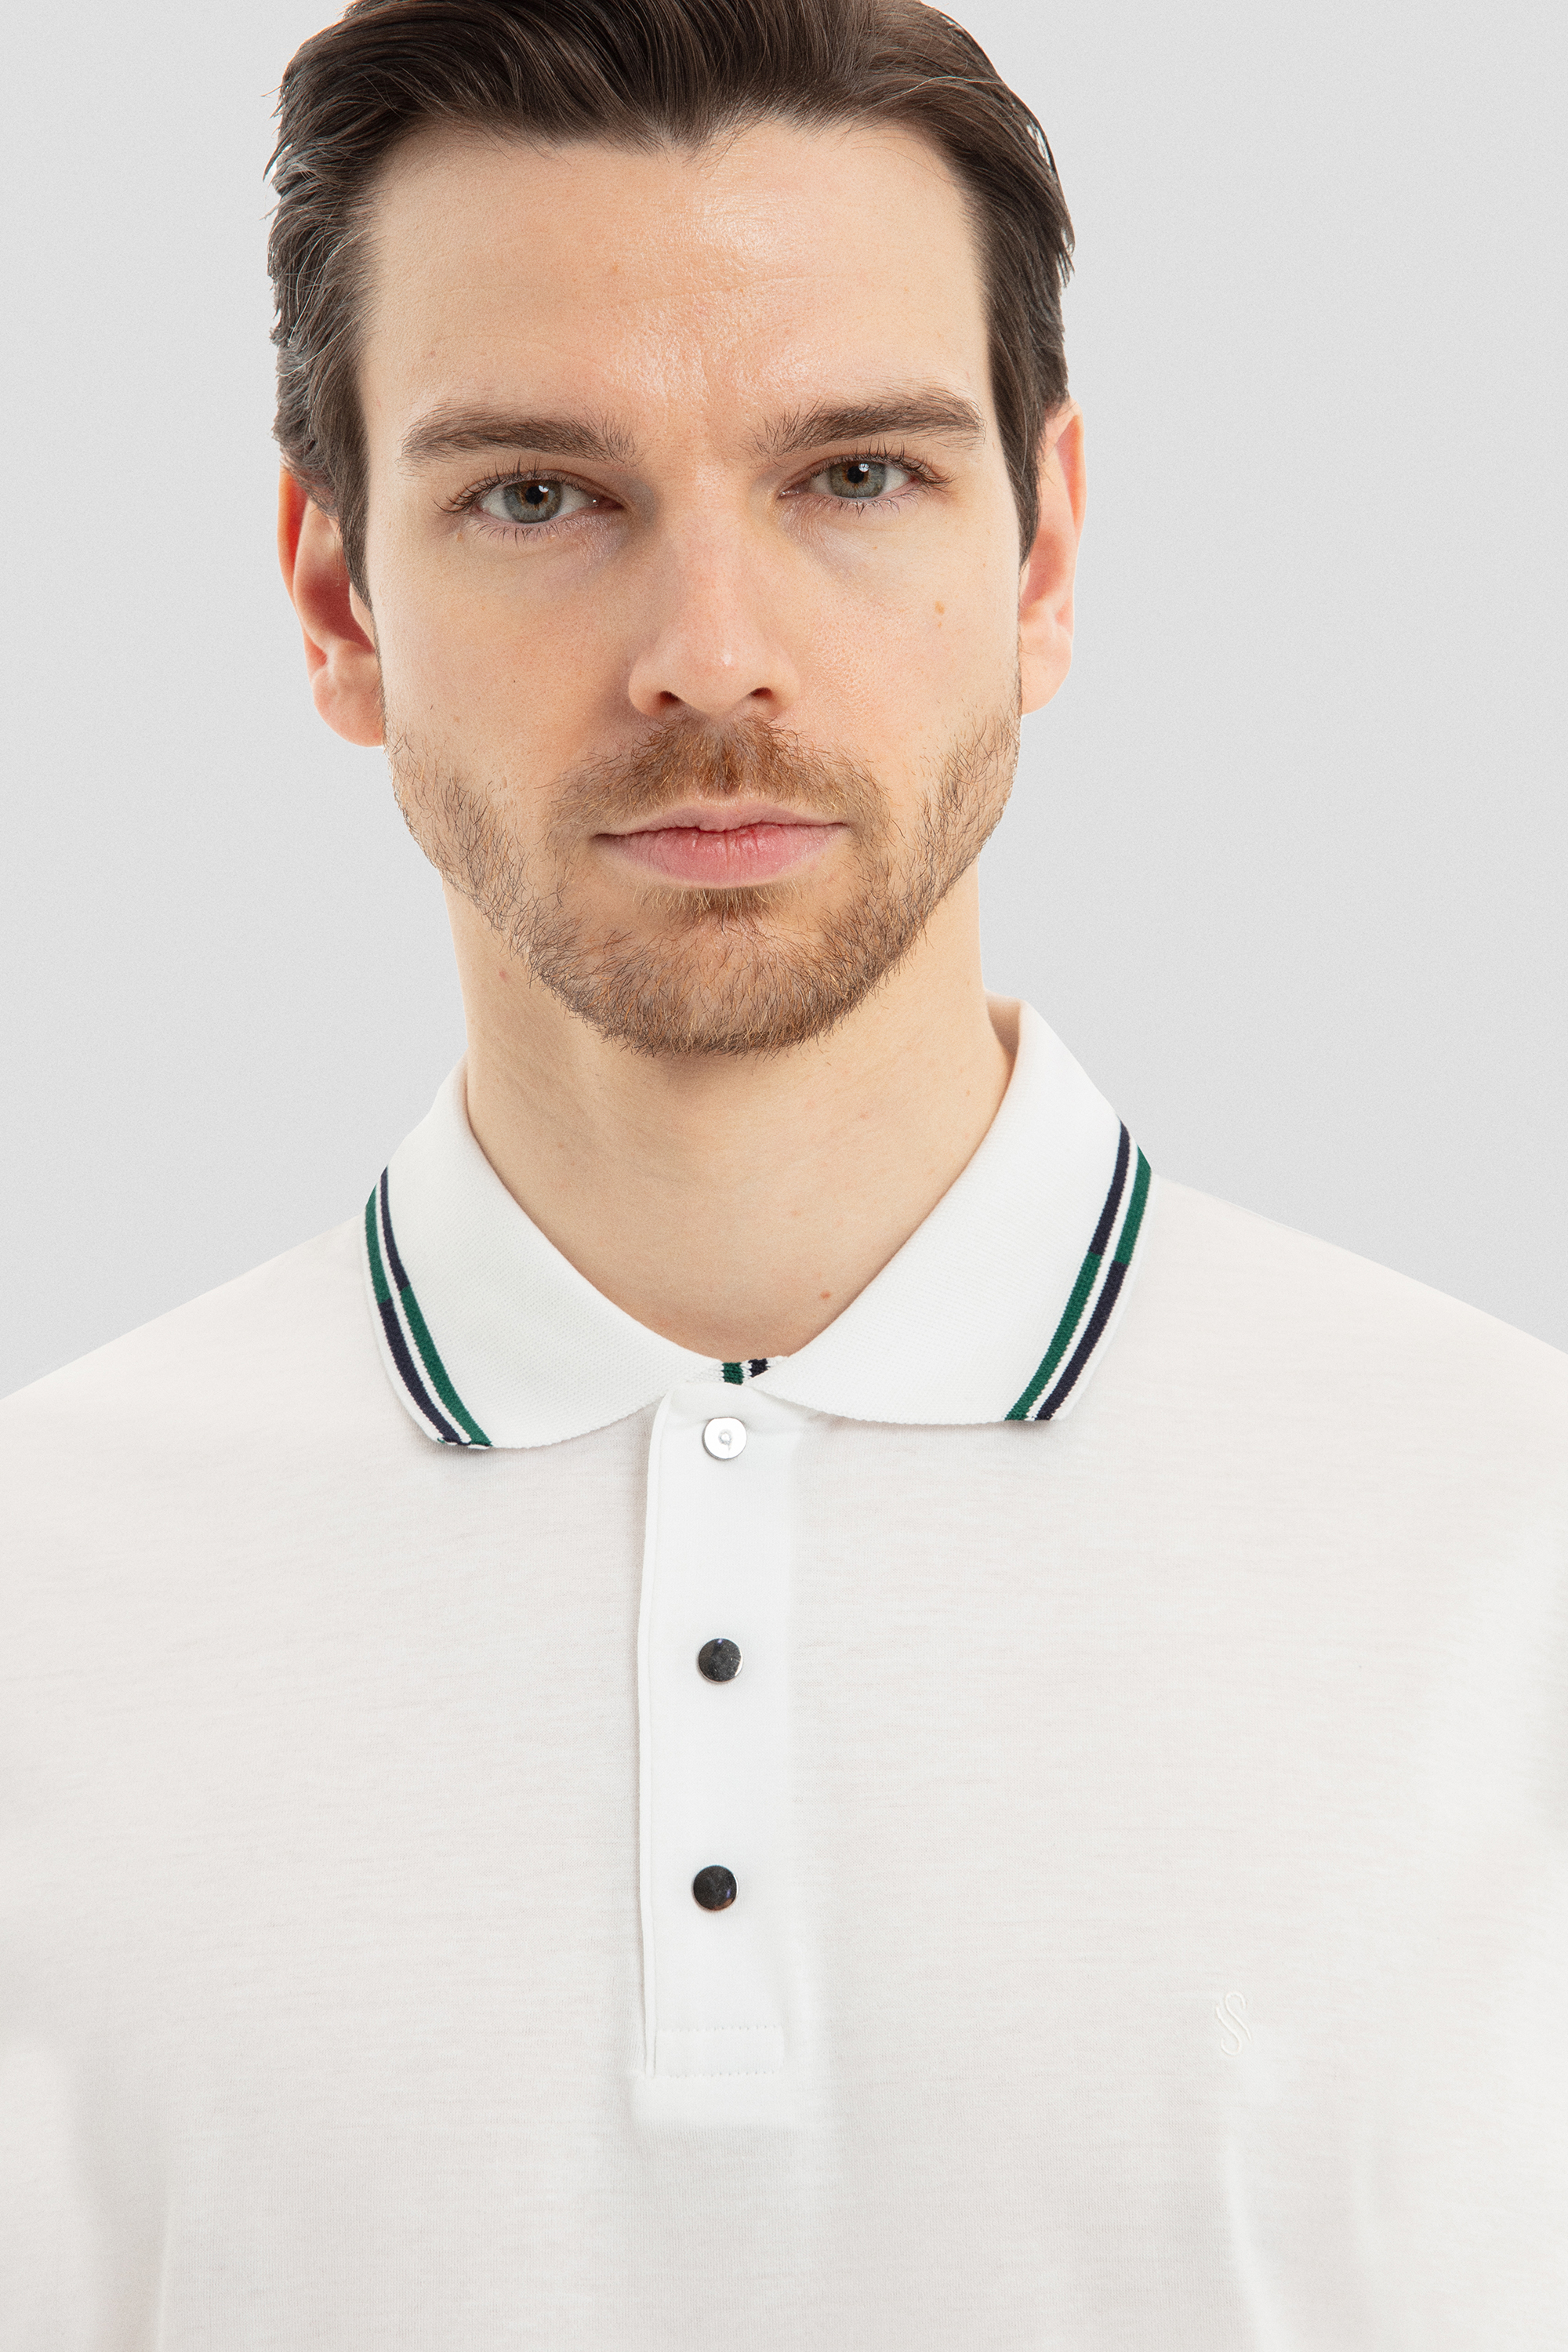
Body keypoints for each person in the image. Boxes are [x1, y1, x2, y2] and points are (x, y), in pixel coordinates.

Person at [2, 0, 1563, 2341]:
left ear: (1043, 557)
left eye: (852, 476)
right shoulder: (35, 1605)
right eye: (539, 496)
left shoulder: (1520, 1551)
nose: (707, 658)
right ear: (337, 603)